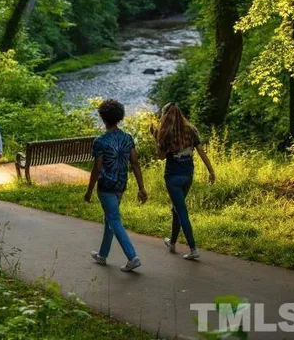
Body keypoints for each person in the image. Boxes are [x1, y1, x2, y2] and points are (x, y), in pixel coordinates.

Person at [84, 99, 148, 272]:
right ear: (119, 117)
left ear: (103, 118)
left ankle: (132, 257)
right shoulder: (127, 138)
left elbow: (97, 168)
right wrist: (141, 187)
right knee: (110, 219)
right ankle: (102, 255)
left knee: (113, 219)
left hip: (105, 187)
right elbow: (135, 163)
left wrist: (89, 191)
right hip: (121, 185)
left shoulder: (100, 141)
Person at [153, 102, 216, 260]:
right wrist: (211, 171)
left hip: (173, 177)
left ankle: (193, 248)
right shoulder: (191, 129)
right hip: (188, 175)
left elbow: (160, 157)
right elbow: (201, 152)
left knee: (181, 211)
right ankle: (173, 242)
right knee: (177, 209)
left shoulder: (165, 133)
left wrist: (156, 137)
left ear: (165, 115)